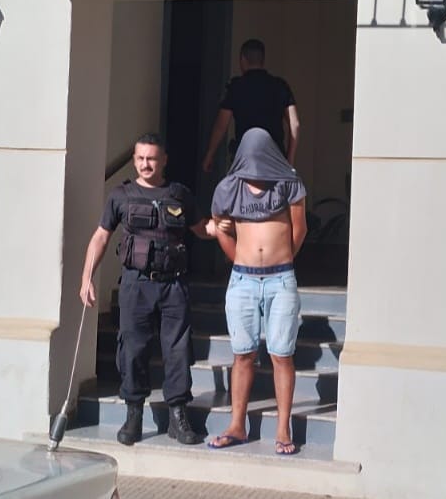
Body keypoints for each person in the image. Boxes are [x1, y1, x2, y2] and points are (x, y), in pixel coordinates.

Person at [79, 133, 218, 446]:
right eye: (140, 158)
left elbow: (203, 229)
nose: (145, 164)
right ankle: (134, 414)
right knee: (133, 349)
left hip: (174, 285)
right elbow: (101, 236)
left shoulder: (179, 194)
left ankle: (178, 416)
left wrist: (226, 225)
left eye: (152, 158)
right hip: (136, 284)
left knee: (178, 351)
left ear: (164, 160)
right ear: (134, 160)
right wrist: (87, 277)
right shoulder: (121, 195)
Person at [207, 127, 307, 455]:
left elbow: (299, 228)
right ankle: (237, 425)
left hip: (281, 280)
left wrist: (283, 260)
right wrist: (239, 259)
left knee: (282, 354)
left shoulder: (288, 183)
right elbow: (219, 226)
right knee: (242, 354)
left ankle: (283, 429)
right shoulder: (228, 187)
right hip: (243, 281)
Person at [202, 39, 301, 172]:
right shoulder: (280, 86)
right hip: (275, 160)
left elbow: (221, 125)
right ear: (262, 60)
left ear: (242, 59)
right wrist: (289, 161)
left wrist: (210, 154)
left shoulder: (235, 87)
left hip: (246, 160)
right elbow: (295, 124)